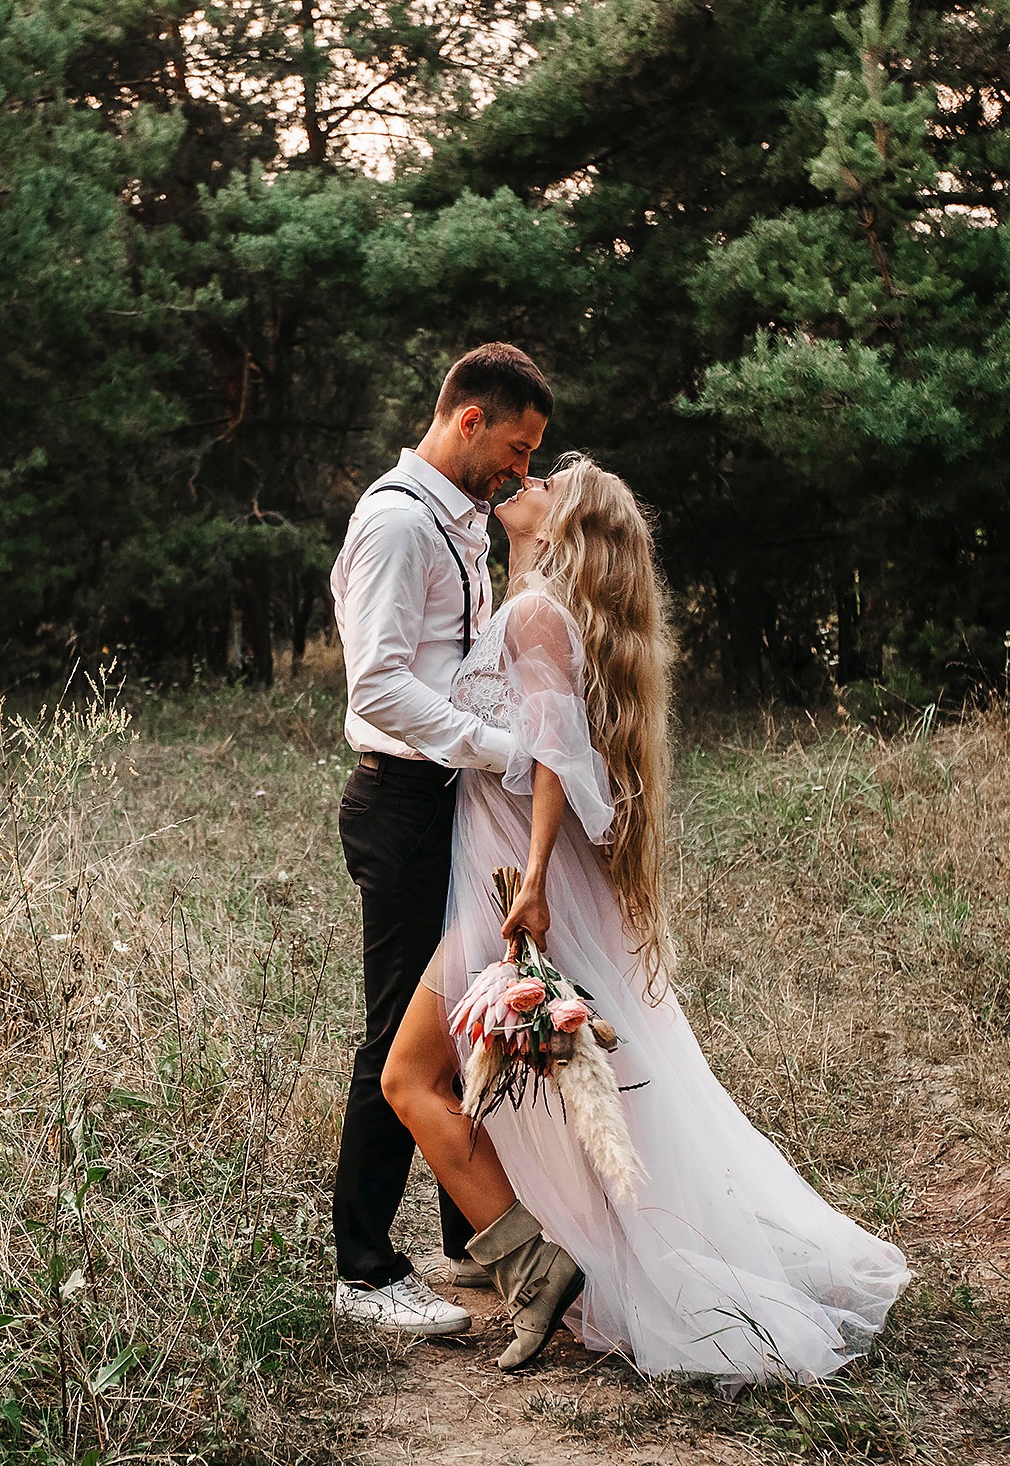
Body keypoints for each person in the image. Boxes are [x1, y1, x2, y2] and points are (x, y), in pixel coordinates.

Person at [381, 457, 912, 1376]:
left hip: (504, 884)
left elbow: (550, 755)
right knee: (522, 1085)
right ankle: (544, 1257)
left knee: (409, 1079)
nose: (529, 479)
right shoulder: (544, 611)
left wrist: (536, 879)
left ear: (566, 526)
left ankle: (543, 1267)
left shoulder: (541, 616)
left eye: (550, 479)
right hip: (500, 874)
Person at [327, 343, 553, 1336]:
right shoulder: (395, 523)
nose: (521, 468)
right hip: (401, 806)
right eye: (516, 445)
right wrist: (502, 750)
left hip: (449, 802)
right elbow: (375, 682)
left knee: (464, 1017)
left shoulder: (461, 524)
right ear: (469, 419)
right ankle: (365, 1270)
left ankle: (470, 1240)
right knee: (399, 1036)